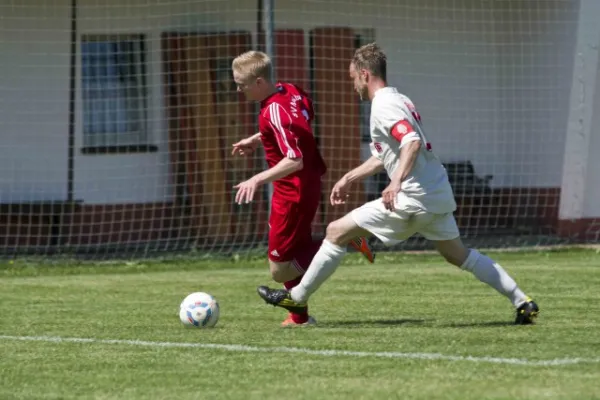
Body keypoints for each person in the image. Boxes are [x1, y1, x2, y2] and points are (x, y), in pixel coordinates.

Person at [256, 43, 539, 325]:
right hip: (435, 193)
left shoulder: (383, 105)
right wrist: (349, 178)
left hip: (411, 197)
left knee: (335, 231)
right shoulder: (400, 99)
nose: (353, 84)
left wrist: (395, 182)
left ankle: (298, 297)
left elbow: (411, 142)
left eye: (353, 77)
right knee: (459, 255)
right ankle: (522, 301)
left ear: (365, 74)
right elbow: (386, 154)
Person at [231, 50, 376, 327]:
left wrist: (257, 179)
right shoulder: (289, 90)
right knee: (292, 255)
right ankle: (299, 317)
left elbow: (294, 160)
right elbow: (298, 122)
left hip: (292, 192)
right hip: (305, 184)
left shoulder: (274, 109)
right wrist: (256, 139)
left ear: (259, 82)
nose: (239, 89)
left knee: (278, 269)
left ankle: (345, 237)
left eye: (241, 84)